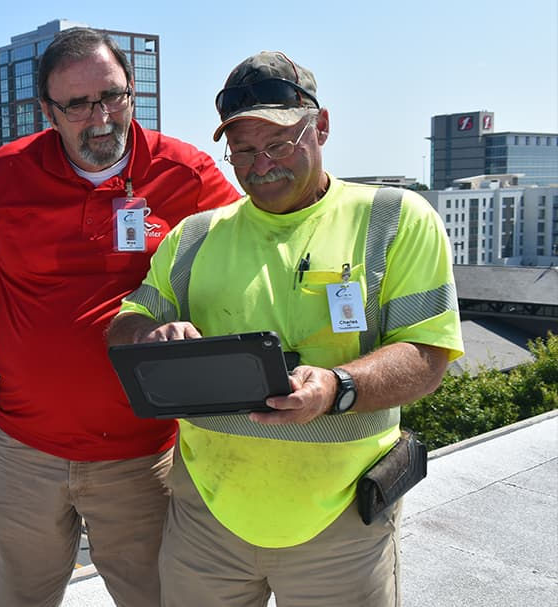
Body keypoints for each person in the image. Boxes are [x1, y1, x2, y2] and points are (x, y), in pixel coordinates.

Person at [107, 51, 464, 607]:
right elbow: (124, 323)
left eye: (278, 144)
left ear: (320, 126)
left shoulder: (395, 217)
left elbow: (426, 356)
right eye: (243, 151)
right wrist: (148, 336)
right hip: (207, 518)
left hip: (342, 522)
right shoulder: (194, 236)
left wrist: (337, 387)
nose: (260, 164)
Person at [0, 28, 238, 607]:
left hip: (144, 454)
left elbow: (253, 254)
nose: (99, 117)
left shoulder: (187, 172)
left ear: (132, 92)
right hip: (24, 450)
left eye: (112, 95)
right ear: (47, 111)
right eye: (77, 104)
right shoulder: (6, 173)